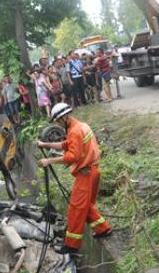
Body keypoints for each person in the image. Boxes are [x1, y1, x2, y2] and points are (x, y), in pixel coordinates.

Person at [38, 102, 112, 255]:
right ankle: (103, 229)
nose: (58, 124)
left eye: (58, 121)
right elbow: (66, 144)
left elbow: (73, 156)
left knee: (76, 209)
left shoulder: (75, 131)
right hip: (93, 171)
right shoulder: (80, 126)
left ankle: (71, 246)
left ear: (64, 117)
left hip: (85, 174)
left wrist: (49, 161)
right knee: (86, 206)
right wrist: (46, 144)